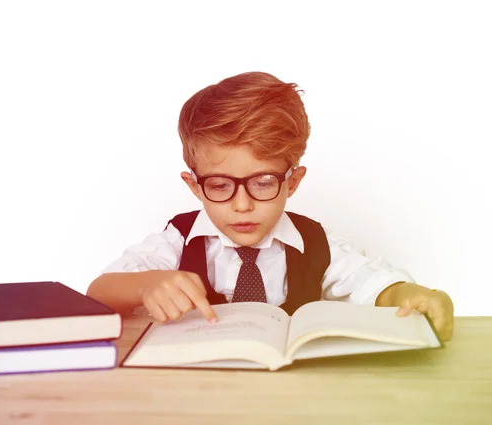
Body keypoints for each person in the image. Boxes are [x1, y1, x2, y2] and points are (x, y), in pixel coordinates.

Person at [86, 71, 454, 341]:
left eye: (263, 183)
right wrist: (148, 284)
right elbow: (98, 291)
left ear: (292, 181)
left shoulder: (315, 242)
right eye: (219, 185)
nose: (242, 205)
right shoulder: (178, 239)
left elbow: (369, 281)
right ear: (195, 186)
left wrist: (408, 295)